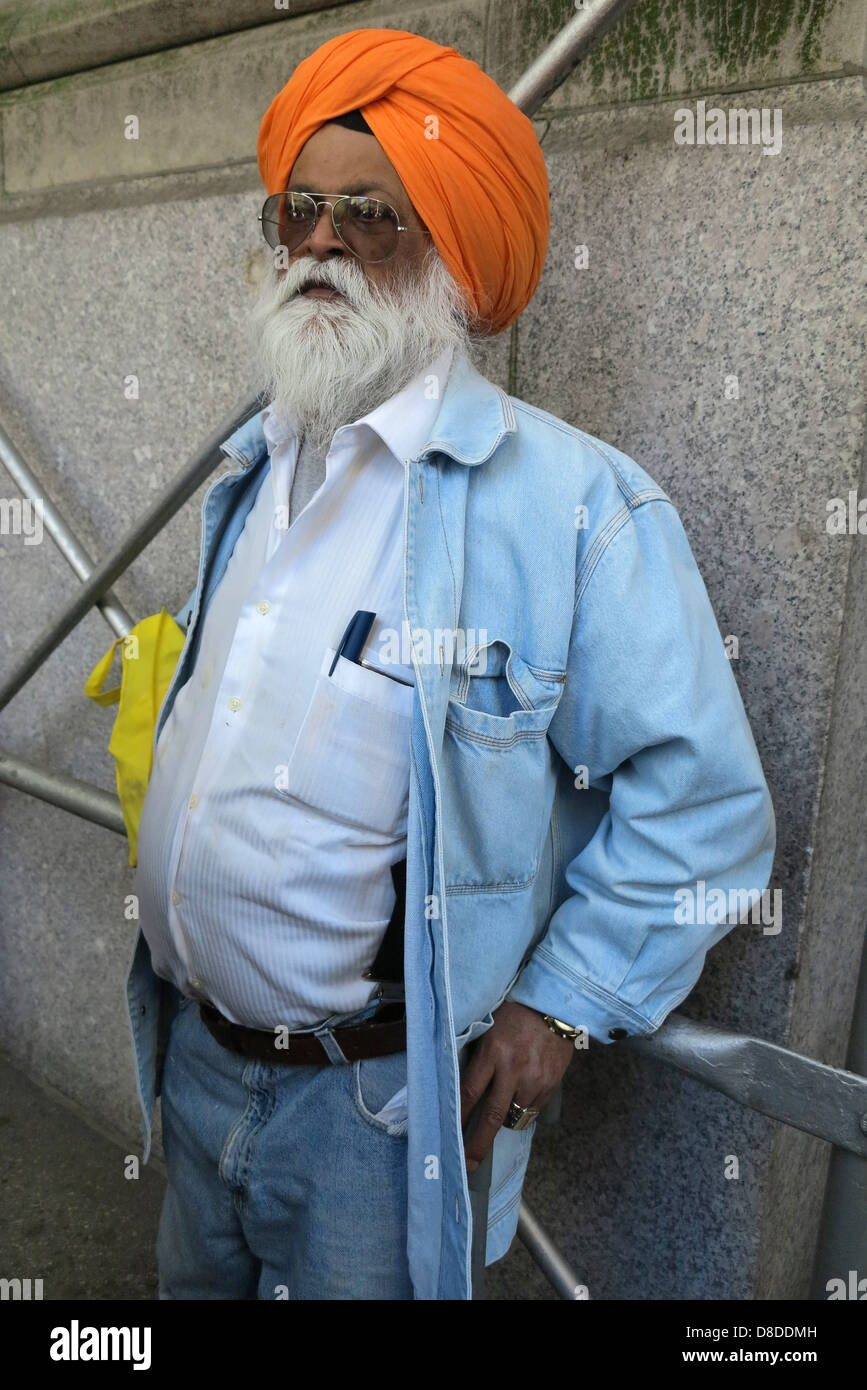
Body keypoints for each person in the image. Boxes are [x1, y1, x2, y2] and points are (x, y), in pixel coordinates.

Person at [126, 27, 776, 1301]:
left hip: (374, 1114)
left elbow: (706, 805)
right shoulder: (257, 471)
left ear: (453, 252)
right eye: (299, 210)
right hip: (189, 1065)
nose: (318, 245)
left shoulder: (576, 507)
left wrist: (565, 999)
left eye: (368, 216)